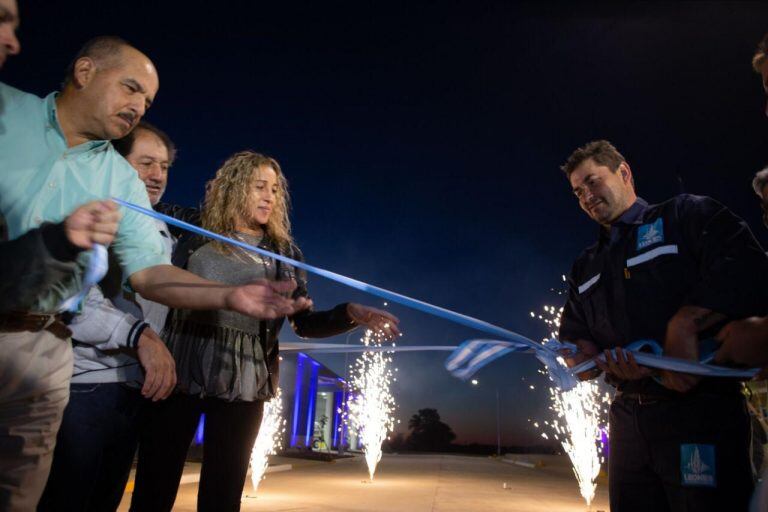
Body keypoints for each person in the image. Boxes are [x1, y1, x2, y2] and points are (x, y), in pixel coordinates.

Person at [0, 37, 306, 511]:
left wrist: (229, 297)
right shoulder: (7, 111)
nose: (138, 106)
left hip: (44, 348)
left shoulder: (120, 181)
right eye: (130, 88)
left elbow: (149, 272)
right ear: (85, 72)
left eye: (147, 100)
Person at [130, 151, 400, 512]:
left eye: (274, 189)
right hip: (180, 366)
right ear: (233, 188)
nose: (269, 196)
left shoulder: (285, 253)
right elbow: (136, 211)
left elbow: (304, 324)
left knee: (222, 494)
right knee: (154, 485)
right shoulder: (190, 228)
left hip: (244, 376)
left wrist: (349, 313)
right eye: (259, 187)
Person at [558, 140, 768, 512]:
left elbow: (748, 268)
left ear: (624, 172)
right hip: (627, 419)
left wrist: (686, 322)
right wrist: (581, 358)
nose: (586, 196)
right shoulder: (585, 266)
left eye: (592, 182)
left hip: (699, 411)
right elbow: (576, 336)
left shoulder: (686, 216)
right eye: (577, 192)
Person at [38, 122, 179, 512]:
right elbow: (75, 300)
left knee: (105, 500)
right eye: (146, 163)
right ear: (116, 163)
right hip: (86, 386)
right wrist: (143, 337)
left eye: (164, 166)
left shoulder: (161, 230)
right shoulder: (93, 216)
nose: (157, 175)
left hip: (133, 388)